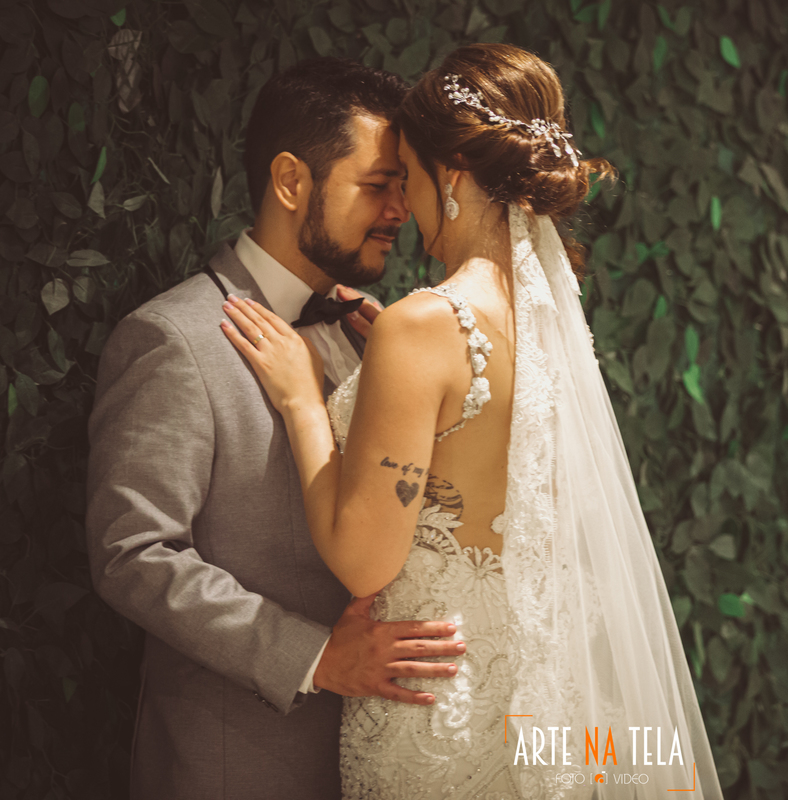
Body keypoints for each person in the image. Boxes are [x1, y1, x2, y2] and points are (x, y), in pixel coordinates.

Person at [221, 43, 723, 798]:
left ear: (450, 174)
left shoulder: (422, 324)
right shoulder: (547, 320)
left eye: (407, 175)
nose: (402, 205)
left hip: (439, 713)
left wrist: (302, 403)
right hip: (543, 700)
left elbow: (364, 562)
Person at [86, 58, 465, 800]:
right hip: (242, 764)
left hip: (382, 757)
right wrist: (316, 657)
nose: (401, 208)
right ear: (291, 181)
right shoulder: (173, 338)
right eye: (378, 184)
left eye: (403, 184)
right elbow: (133, 555)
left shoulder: (373, 335)